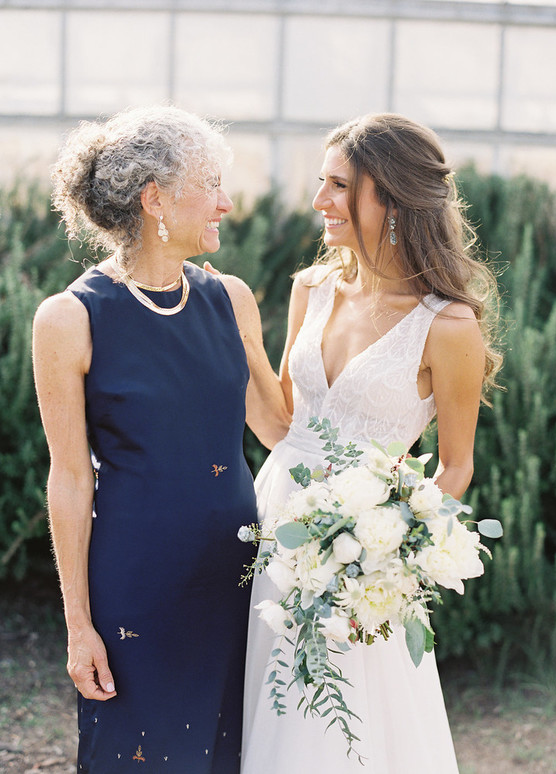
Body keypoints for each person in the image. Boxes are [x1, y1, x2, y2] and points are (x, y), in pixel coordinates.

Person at [32, 105, 290, 774]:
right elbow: (68, 477)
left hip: (237, 578)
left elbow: (278, 429)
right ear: (156, 199)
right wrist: (78, 623)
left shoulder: (231, 297)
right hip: (137, 586)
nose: (227, 204)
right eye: (210, 183)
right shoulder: (70, 318)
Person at [241, 114, 501, 773]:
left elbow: (456, 465)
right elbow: (281, 424)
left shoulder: (448, 326)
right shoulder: (311, 290)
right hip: (274, 526)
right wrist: (237, 328)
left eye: (337, 185)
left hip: (364, 558)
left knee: (348, 719)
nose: (318, 200)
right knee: (268, 697)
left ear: (389, 196)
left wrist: (382, 558)